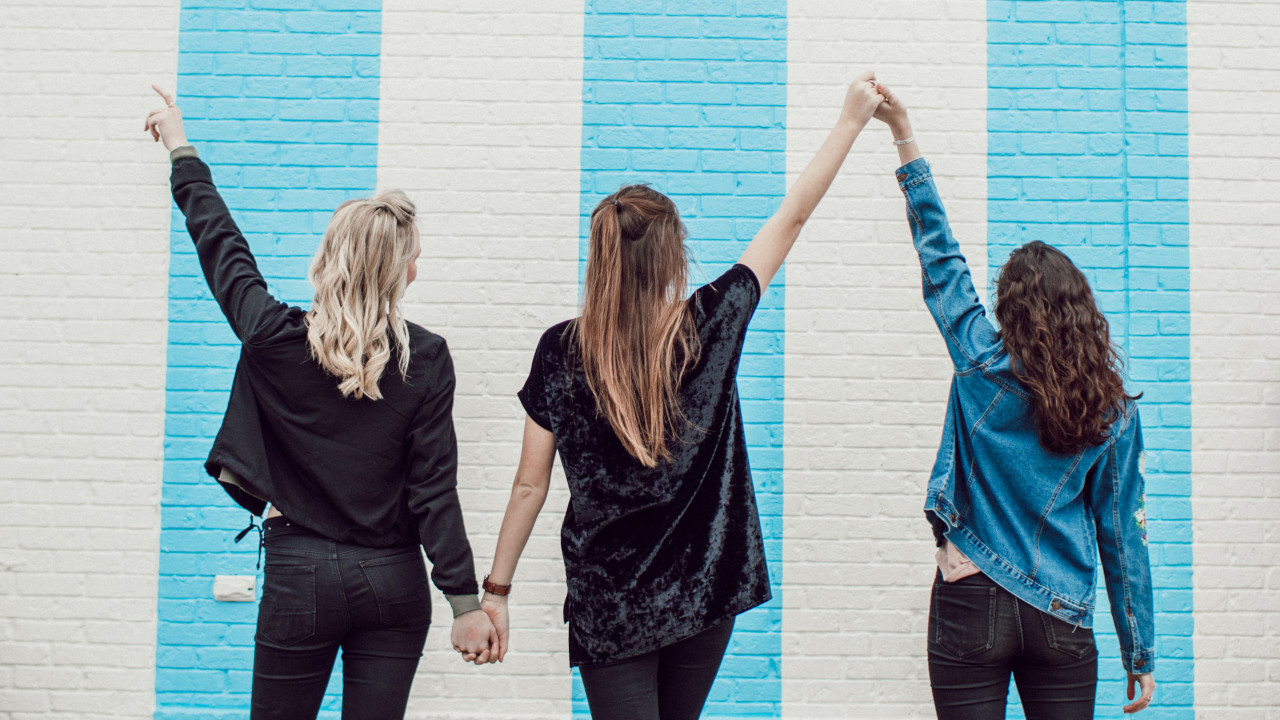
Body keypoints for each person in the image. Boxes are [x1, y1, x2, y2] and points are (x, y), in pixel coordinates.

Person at [465, 72, 886, 719]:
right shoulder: (709, 324)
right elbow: (792, 215)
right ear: (671, 256)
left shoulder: (560, 351)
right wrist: (851, 121)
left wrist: (496, 593)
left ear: (600, 256)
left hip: (611, 602)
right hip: (702, 591)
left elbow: (529, 485)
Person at [144, 85, 496, 720]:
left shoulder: (272, 335)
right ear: (403, 272)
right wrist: (465, 605)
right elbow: (434, 491)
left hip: (299, 572)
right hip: (393, 581)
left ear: (329, 259)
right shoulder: (429, 358)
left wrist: (180, 146)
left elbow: (220, 243)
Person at [867, 84, 1158, 717]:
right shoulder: (1112, 409)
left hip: (970, 595)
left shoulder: (979, 357)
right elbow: (1122, 534)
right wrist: (1140, 651)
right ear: (1083, 312)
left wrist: (903, 134)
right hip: (1062, 616)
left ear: (1008, 310)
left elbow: (939, 257)